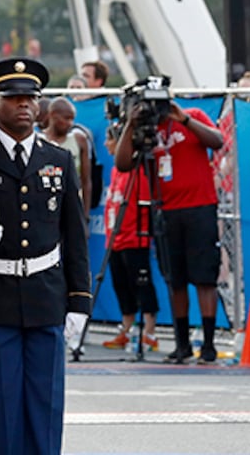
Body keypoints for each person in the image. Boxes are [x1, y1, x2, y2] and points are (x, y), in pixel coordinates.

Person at [0, 58, 91, 455]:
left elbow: (73, 234)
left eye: (30, 97)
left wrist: (79, 301)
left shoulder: (57, 159)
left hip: (46, 294)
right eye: (13, 97)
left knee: (46, 407)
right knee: (4, 410)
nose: (24, 104)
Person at [113, 93, 225, 363]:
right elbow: (123, 163)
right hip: (164, 210)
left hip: (200, 207)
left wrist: (182, 118)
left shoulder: (193, 115)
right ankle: (182, 344)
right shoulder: (145, 129)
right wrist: (131, 124)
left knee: (204, 277)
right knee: (174, 279)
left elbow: (218, 140)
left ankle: (208, 345)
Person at [97, 122, 159, 353]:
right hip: (114, 238)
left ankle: (149, 332)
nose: (106, 144)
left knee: (142, 284)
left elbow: (144, 206)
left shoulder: (138, 169)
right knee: (120, 284)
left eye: (110, 139)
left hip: (134, 238)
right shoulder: (116, 170)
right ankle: (127, 328)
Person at [40, 97, 95, 211]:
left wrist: (85, 213)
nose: (70, 123)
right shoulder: (39, 140)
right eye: (66, 118)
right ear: (53, 115)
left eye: (72, 119)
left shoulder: (79, 139)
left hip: (73, 201)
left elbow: (86, 180)